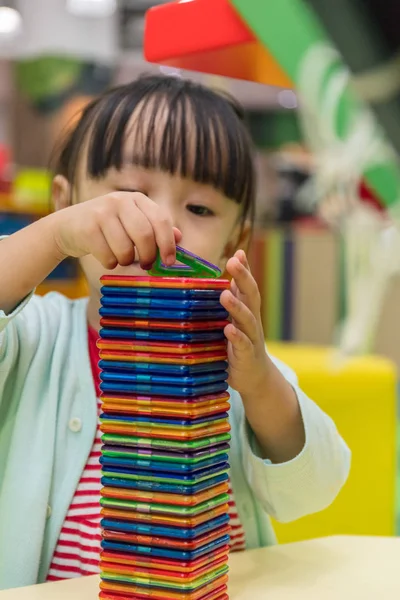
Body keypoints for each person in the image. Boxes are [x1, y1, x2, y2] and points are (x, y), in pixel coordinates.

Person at [0, 74, 350, 590]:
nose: (160, 223)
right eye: (127, 195)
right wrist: (55, 237)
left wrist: (257, 383)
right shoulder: (37, 338)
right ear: (65, 202)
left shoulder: (236, 363)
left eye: (200, 209)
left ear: (237, 237)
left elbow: (314, 487)